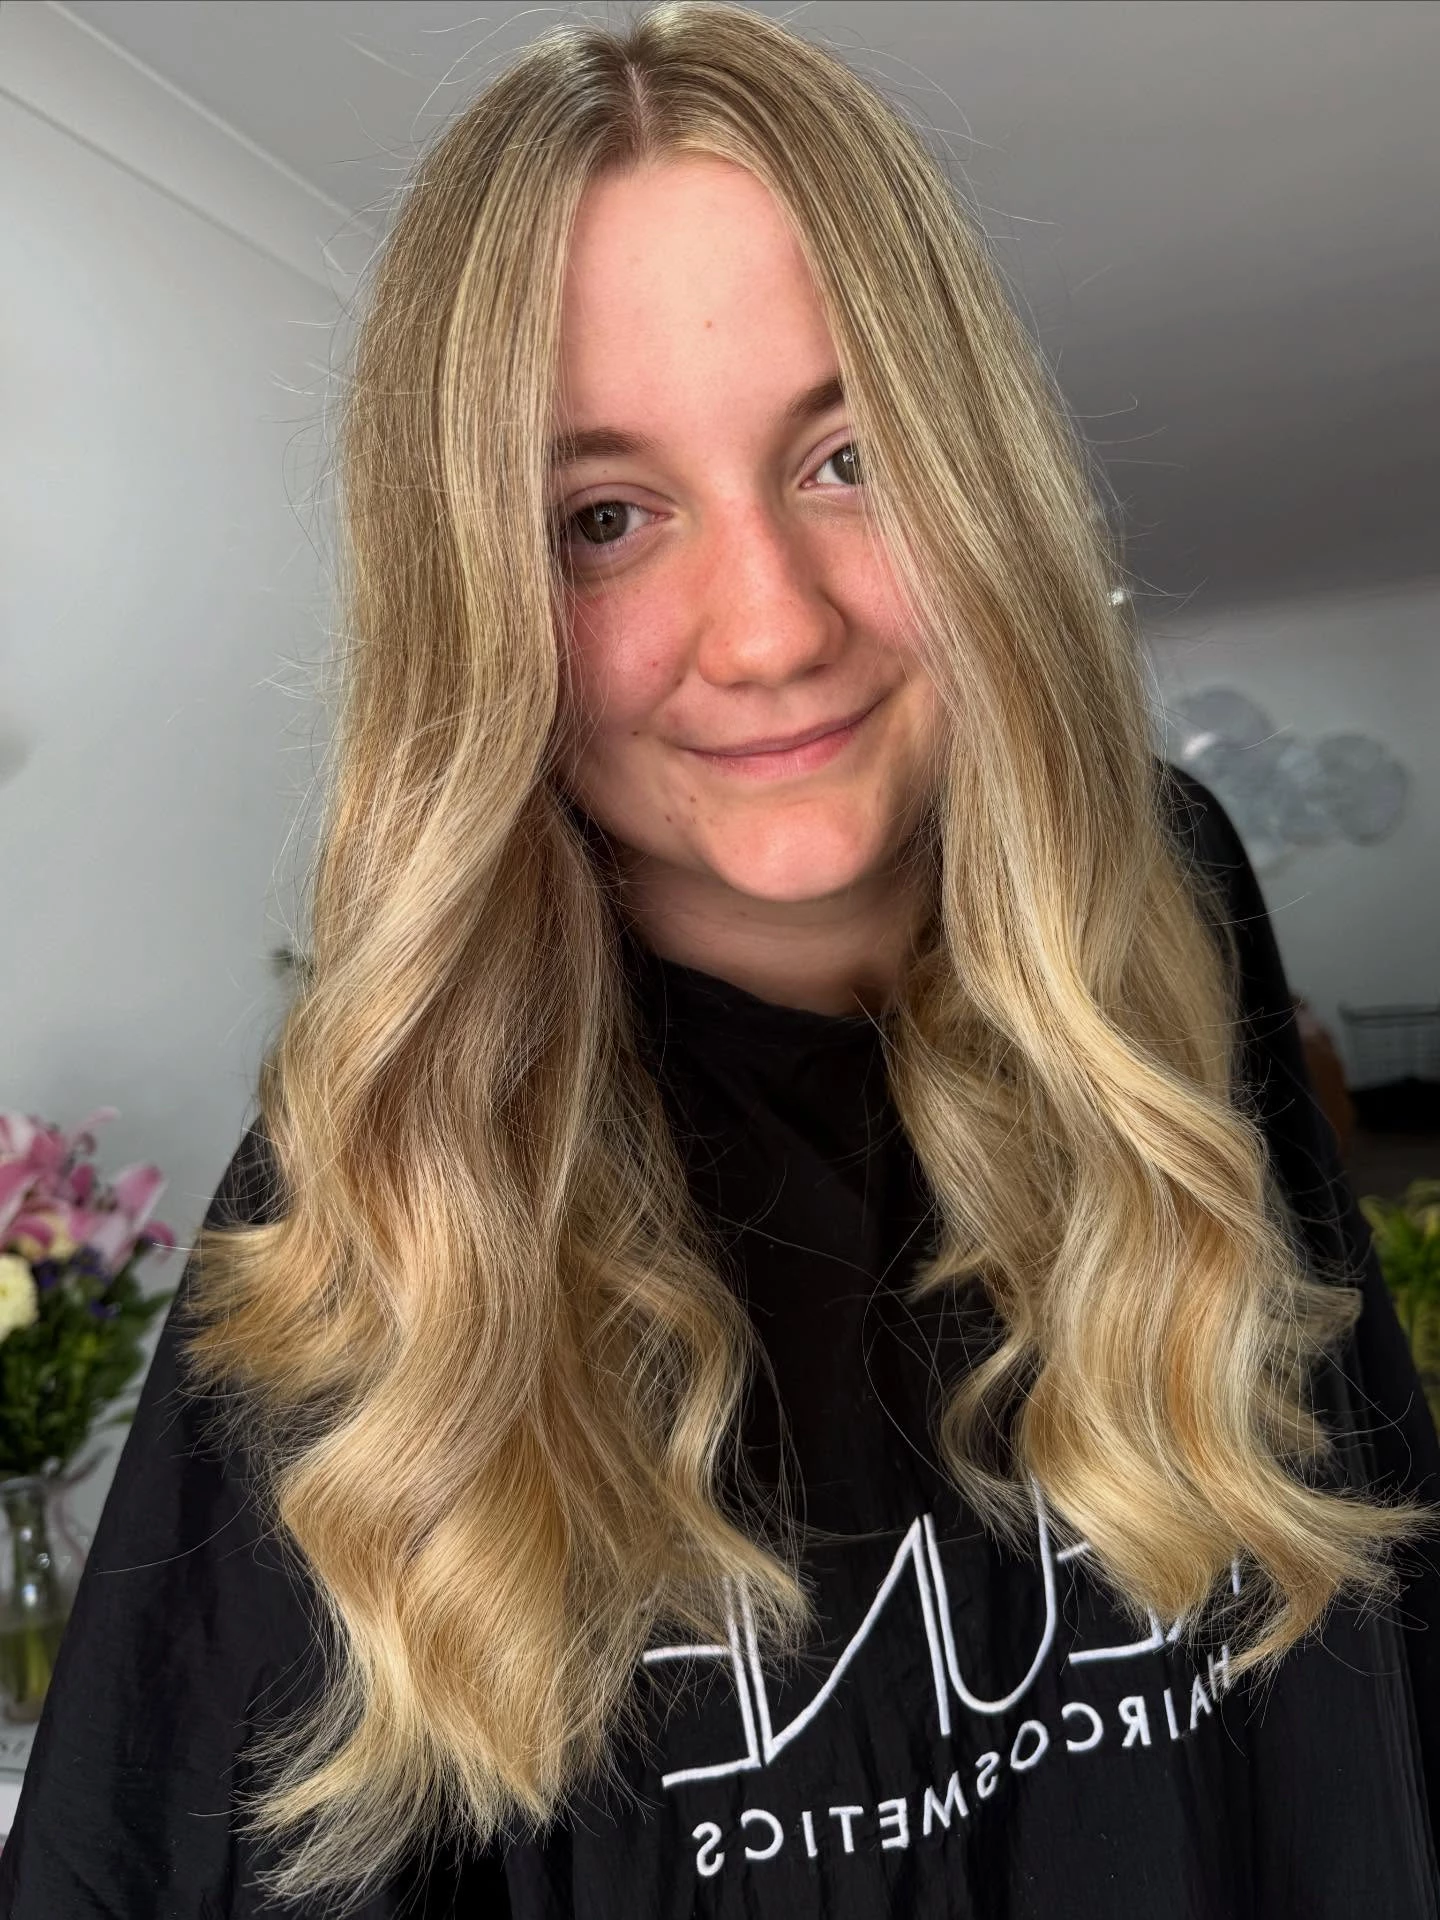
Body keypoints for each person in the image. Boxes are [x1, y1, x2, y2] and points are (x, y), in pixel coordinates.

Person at [3, 4, 1437, 1915]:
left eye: (851, 457)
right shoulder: (399, 1174)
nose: (767, 631)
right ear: (481, 604)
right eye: (604, 519)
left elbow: (1363, 1586)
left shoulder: (1164, 887)